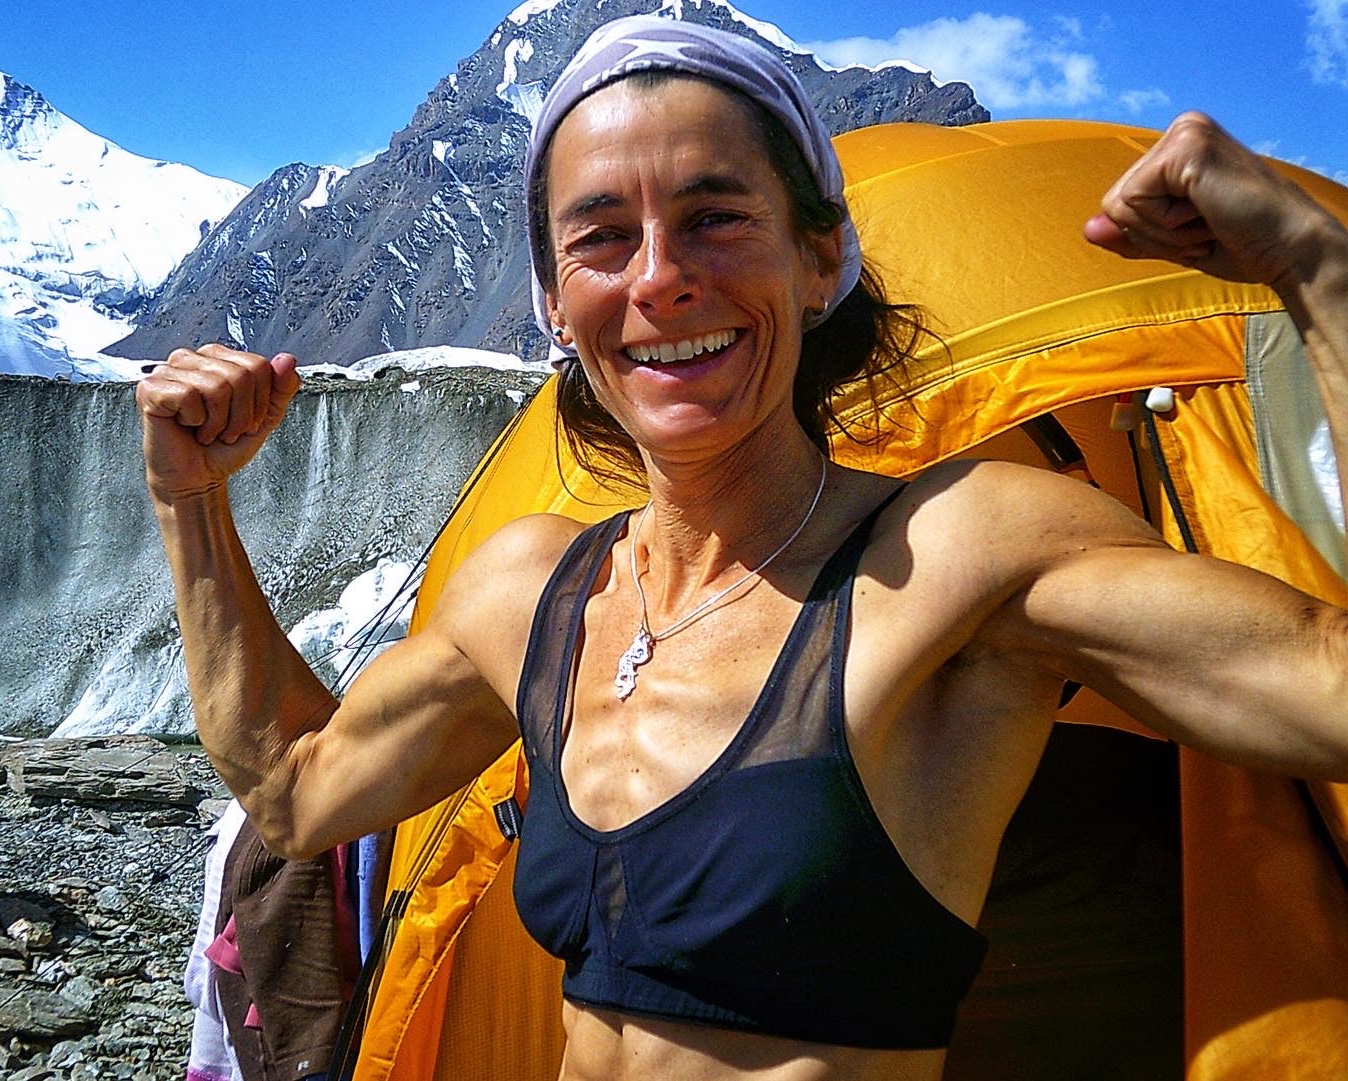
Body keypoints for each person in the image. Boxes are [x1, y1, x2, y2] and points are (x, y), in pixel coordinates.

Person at [137, 16, 1348, 1081]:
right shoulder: (533, 591)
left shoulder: (959, 554)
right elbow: (296, 793)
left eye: (715, 218)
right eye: (602, 237)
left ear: (819, 258)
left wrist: (1321, 271)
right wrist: (191, 499)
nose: (661, 279)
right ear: (555, 304)